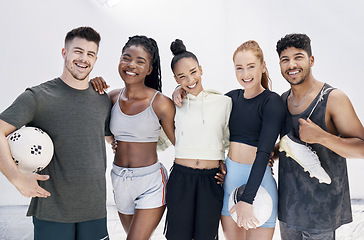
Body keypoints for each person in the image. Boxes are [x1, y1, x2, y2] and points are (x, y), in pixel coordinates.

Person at [0, 27, 111, 240]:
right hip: (52, 210)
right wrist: (16, 177)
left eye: (90, 54)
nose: (83, 59)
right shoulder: (38, 97)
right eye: (77, 51)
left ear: (96, 59)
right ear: (64, 53)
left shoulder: (101, 99)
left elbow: (104, 137)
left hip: (95, 210)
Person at [172, 40, 286, 240]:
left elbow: (263, 153)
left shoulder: (272, 102)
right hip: (229, 183)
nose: (245, 74)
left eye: (251, 67)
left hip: (259, 188)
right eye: (239, 68)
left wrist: (248, 199)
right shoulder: (230, 99)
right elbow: (202, 104)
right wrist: (180, 90)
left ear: (263, 66)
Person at [275, 33, 364, 240]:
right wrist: (273, 152)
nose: (291, 65)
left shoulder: (334, 98)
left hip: (321, 212)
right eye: (285, 59)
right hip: (288, 209)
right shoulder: (282, 100)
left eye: (298, 57)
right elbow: (291, 144)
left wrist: (322, 137)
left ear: (311, 60)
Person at [91, 35, 175, 240]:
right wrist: (90, 84)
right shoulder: (111, 98)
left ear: (149, 70)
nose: (131, 65)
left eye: (140, 61)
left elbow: (180, 143)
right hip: (120, 180)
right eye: (126, 58)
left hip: (151, 182)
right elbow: (103, 129)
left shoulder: (161, 103)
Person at [164, 39, 232, 240]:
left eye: (193, 72)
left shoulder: (224, 102)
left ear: (201, 69)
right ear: (175, 78)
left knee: (206, 236)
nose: (190, 79)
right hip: (181, 179)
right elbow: (159, 136)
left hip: (211, 180)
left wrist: (228, 168)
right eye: (182, 76)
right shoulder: (175, 103)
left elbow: (232, 140)